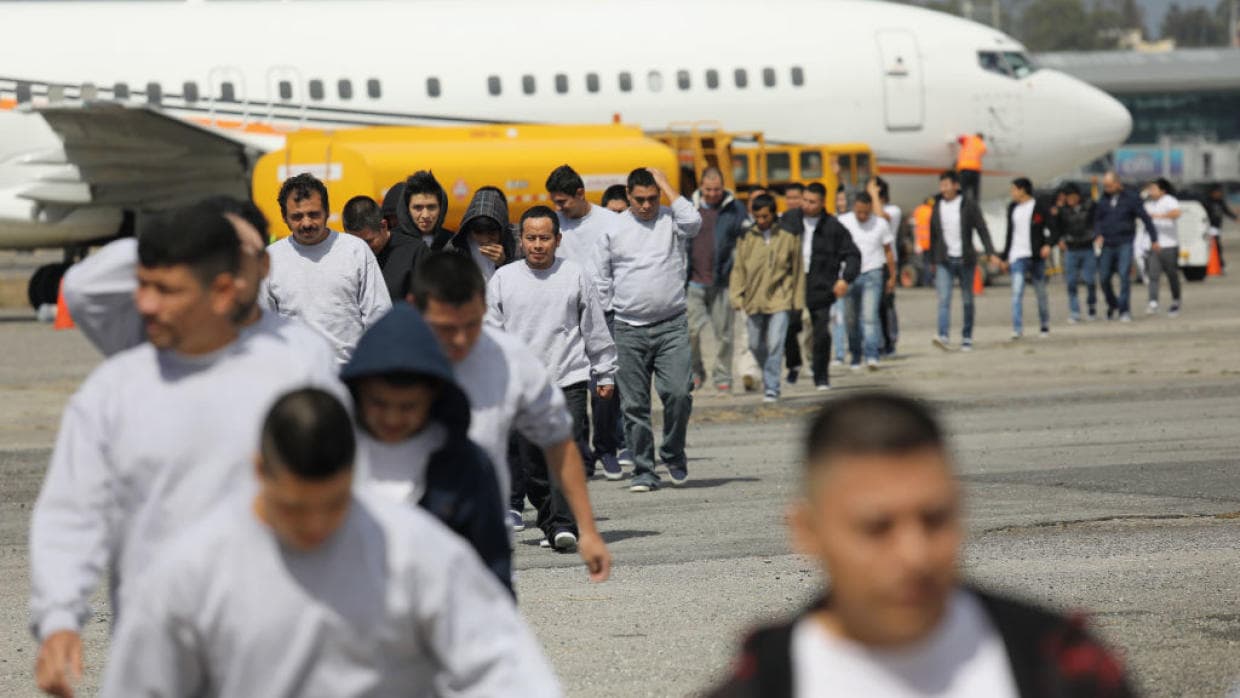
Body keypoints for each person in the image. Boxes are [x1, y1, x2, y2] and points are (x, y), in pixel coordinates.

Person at [29, 204, 342, 698]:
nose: (145, 306)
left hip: (277, 652)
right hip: (155, 656)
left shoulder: (299, 362)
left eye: (166, 290)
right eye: (143, 287)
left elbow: (347, 491)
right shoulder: (117, 388)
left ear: (222, 289)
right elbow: (73, 510)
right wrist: (58, 615)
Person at [99, 388, 561, 697]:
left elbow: (505, 666)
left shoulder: (415, 551)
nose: (316, 526)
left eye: (335, 504)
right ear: (261, 472)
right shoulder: (192, 570)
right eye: (295, 509)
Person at [708, 391, 1136, 698]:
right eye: (876, 528)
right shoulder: (762, 683)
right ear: (806, 531)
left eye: (935, 520)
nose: (915, 556)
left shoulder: (1059, 661)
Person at [410, 251, 611, 576]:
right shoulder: (393, 369)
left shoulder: (511, 360)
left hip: (486, 547)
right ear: (417, 308)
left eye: (471, 324)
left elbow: (560, 443)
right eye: (446, 328)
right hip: (412, 546)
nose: (461, 339)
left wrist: (587, 530)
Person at [341, 304, 512, 593]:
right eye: (379, 404)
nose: (393, 419)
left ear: (434, 397)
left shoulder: (466, 466)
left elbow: (492, 568)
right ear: (357, 394)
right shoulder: (333, 455)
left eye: (408, 406)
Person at [487, 206, 617, 545]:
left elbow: (594, 328)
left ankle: (563, 524)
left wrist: (604, 372)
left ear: (558, 240)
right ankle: (550, 519)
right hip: (523, 387)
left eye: (545, 238)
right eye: (531, 238)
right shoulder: (503, 279)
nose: (538, 245)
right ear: (521, 240)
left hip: (568, 378)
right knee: (532, 465)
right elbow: (491, 333)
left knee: (568, 450)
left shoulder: (575, 275)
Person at [593, 167, 701, 493]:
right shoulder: (613, 229)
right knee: (635, 405)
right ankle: (643, 469)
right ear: (628, 195)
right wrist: (607, 328)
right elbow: (601, 281)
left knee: (679, 393)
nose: (646, 205)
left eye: (652, 199)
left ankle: (672, 452)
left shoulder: (671, 220)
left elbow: (694, 222)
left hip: (672, 325)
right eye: (639, 199)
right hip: (628, 327)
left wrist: (666, 184)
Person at [546, 165, 626, 478]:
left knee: (604, 389)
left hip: (605, 313)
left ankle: (607, 448)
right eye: (554, 202)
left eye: (563, 201)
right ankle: (581, 455)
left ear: (580, 194)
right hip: (566, 316)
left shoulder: (611, 222)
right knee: (572, 388)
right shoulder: (556, 226)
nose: (558, 207)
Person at [263, 173, 392, 364]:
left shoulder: (355, 250)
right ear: (284, 217)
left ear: (327, 211)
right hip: (295, 374)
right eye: (297, 216)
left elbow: (379, 315)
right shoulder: (270, 259)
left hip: (349, 372)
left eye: (313, 214)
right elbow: (263, 325)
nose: (306, 223)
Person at [729, 194, 805, 402]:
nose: (761, 221)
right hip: (753, 300)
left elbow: (797, 271)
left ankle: (772, 387)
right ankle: (768, 374)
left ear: (773, 214)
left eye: (765, 216)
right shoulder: (746, 237)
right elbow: (738, 270)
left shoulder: (788, 237)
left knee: (775, 344)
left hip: (781, 298)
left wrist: (797, 303)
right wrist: (736, 296)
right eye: (757, 217)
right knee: (754, 344)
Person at [784, 183, 860, 389]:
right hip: (793, 285)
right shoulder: (789, 220)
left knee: (821, 334)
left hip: (821, 286)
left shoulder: (833, 227)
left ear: (822, 202)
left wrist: (845, 279)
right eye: (805, 200)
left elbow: (853, 255)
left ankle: (821, 376)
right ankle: (794, 363)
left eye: (812, 202)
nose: (807, 205)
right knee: (788, 327)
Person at [687, 167, 746, 393]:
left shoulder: (735, 208)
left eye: (717, 189)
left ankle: (722, 376)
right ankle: (695, 372)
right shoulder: (689, 207)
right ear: (701, 187)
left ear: (723, 187)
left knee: (724, 335)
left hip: (722, 282)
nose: (713, 193)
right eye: (708, 189)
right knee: (690, 333)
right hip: (693, 281)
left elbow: (746, 238)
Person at [930, 170, 999, 352]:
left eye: (946, 185)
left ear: (955, 186)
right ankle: (943, 335)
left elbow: (981, 228)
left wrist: (990, 251)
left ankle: (966, 336)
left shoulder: (968, 204)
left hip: (965, 259)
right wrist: (931, 259)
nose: (943, 189)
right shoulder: (937, 205)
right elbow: (933, 233)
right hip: (944, 259)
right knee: (944, 298)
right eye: (941, 185)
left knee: (967, 299)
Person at [838, 192, 895, 370]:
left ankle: (872, 355)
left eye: (866, 213)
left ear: (871, 208)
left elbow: (888, 251)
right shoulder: (843, 221)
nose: (862, 216)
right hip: (849, 276)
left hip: (873, 273)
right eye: (859, 212)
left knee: (870, 317)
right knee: (851, 319)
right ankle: (856, 354)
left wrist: (892, 276)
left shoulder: (880, 224)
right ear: (854, 207)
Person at [1094, 171, 1157, 323]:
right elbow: (1097, 219)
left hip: (1125, 242)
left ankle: (1124, 309)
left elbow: (1145, 218)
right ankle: (1113, 304)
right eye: (1105, 186)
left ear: (1117, 184)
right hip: (1107, 243)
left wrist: (1154, 238)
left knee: (1124, 275)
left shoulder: (1131, 199)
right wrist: (1097, 234)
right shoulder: (1103, 199)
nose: (1107, 189)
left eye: (1109, 186)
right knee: (1103, 277)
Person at [342, 194, 428, 302]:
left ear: (383, 226)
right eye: (355, 242)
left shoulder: (416, 253)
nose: (362, 249)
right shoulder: (343, 257)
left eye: (368, 241)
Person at [1001, 178, 1055, 339]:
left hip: (1035, 256)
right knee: (1017, 291)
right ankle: (1017, 328)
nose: (1012, 193)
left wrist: (1048, 245)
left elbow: (1053, 228)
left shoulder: (1039, 207)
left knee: (1040, 292)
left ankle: (1044, 325)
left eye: (1014, 190)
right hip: (1017, 255)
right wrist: (1004, 256)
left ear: (1023, 190)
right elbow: (1009, 234)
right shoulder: (1012, 208)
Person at [439, 186, 516, 280]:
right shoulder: (456, 248)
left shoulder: (516, 244)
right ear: (469, 230)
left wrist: (504, 263)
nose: (485, 239)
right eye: (478, 233)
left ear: (502, 229)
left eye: (492, 233)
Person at [1053, 183, 1099, 323]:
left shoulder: (1090, 206)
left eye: (1072, 197)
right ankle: (1074, 311)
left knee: (1090, 280)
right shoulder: (1062, 211)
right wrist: (1059, 239)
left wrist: (1096, 235)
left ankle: (1091, 306)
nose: (1070, 200)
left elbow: (1097, 221)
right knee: (1071, 282)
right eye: (1067, 197)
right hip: (1071, 248)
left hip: (1087, 247)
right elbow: (1057, 227)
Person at [870, 177, 901, 356]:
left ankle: (891, 340)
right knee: (874, 306)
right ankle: (879, 342)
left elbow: (882, 217)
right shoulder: (868, 212)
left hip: (888, 262)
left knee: (887, 305)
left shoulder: (893, 210)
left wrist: (873, 193)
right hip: (872, 261)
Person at [1144, 178, 1183, 317]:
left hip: (1169, 244)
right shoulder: (1148, 204)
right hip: (1154, 245)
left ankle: (1176, 300)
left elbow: (1177, 213)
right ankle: (1153, 302)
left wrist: (1160, 216)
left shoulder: (1169, 200)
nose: (1151, 191)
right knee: (1153, 275)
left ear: (1162, 190)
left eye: (1153, 188)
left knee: (1172, 274)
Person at [390, 170, 453, 250]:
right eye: (418, 208)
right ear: (407, 209)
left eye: (431, 207)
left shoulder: (453, 243)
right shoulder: (392, 243)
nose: (425, 215)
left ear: (441, 208)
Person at [1204, 183, 1235, 270]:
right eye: (1217, 192)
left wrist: (1235, 218)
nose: (1219, 194)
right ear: (1212, 193)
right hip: (1208, 228)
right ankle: (1217, 264)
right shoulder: (1207, 202)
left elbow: (1226, 211)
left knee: (1217, 247)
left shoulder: (1220, 201)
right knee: (1214, 247)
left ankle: (1219, 265)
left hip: (1216, 228)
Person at [956, 132, 987, 201]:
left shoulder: (968, 139)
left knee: (963, 190)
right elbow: (984, 151)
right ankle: (975, 207)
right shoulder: (981, 144)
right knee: (975, 193)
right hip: (975, 171)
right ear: (982, 138)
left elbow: (960, 138)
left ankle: (963, 206)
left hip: (964, 169)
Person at [912, 196, 935, 287]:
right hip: (930, 242)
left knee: (923, 263)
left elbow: (914, 224)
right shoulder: (932, 211)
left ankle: (924, 281)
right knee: (930, 262)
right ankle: (929, 281)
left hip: (920, 242)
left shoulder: (918, 210)